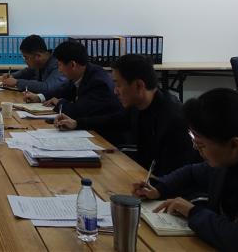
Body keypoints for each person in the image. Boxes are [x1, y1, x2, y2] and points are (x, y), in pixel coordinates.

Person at [132, 88, 238, 252]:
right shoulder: (233, 158)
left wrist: (193, 212)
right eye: (193, 139)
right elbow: (191, 173)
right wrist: (159, 188)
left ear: (234, 144)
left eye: (201, 144)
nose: (196, 148)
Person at [56, 54, 200, 175]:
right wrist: (77, 123)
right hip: (145, 179)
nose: (115, 91)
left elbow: (177, 175)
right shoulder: (139, 105)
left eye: (118, 84)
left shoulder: (173, 120)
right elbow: (114, 120)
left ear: (139, 85)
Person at [24, 40, 123, 144]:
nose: (59, 70)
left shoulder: (98, 82)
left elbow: (79, 111)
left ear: (72, 65)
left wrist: (59, 102)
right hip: (88, 130)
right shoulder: (83, 73)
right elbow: (63, 91)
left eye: (60, 65)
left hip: (104, 139)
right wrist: (39, 97)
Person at [0, 35, 66, 95]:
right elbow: (28, 71)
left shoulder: (59, 64)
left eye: (26, 57)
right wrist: (12, 75)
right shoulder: (39, 63)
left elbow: (47, 88)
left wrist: (17, 82)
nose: (25, 61)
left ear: (38, 56)